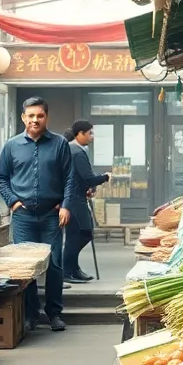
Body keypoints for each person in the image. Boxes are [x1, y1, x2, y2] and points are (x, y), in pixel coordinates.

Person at [0, 97, 81, 332]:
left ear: (46, 117)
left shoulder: (59, 144)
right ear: (23, 117)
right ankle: (30, 314)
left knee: (54, 264)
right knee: (26, 267)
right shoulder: (11, 146)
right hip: (23, 216)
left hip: (51, 215)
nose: (35, 120)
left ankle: (54, 313)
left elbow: (70, 178)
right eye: (30, 116)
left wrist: (65, 205)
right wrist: (12, 203)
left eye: (39, 116)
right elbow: (0, 178)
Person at [63, 120, 109, 283]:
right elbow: (88, 177)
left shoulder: (72, 149)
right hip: (74, 200)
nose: (92, 137)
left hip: (77, 196)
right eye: (90, 133)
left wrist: (86, 187)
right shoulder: (76, 151)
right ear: (80, 133)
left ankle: (73, 268)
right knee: (80, 234)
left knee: (79, 234)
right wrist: (105, 177)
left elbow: (78, 177)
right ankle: (66, 269)